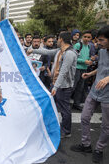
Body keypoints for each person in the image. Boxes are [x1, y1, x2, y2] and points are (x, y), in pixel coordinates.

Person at [27, 31, 78, 138]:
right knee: (50, 105)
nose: (56, 41)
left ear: (62, 39)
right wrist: (32, 50)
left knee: (64, 109)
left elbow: (63, 72)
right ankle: (48, 126)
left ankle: (66, 131)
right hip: (55, 84)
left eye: (58, 38)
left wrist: (55, 87)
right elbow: (46, 52)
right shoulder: (60, 51)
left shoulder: (69, 53)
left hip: (63, 87)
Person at [70, 25, 109, 163]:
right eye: (98, 40)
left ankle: (99, 149)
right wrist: (90, 73)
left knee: (106, 126)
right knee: (85, 117)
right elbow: (102, 68)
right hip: (94, 91)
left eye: (102, 40)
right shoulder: (102, 52)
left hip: (107, 97)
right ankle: (86, 145)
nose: (98, 43)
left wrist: (108, 78)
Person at [72, 30, 93, 111]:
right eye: (85, 37)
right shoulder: (77, 45)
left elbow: (86, 57)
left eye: (88, 37)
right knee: (72, 87)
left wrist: (90, 60)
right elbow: (74, 58)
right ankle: (64, 103)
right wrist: (84, 61)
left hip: (84, 69)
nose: (86, 39)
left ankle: (76, 104)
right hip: (76, 69)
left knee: (80, 88)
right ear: (82, 37)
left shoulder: (89, 46)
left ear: (91, 38)